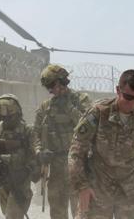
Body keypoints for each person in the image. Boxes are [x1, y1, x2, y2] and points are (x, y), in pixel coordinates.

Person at [69, 69, 134, 219]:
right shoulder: (98, 113)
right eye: (128, 97)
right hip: (99, 186)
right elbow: (77, 150)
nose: (132, 103)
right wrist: (82, 187)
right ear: (118, 90)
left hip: (132, 189)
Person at [32, 64, 91, 219]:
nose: (51, 91)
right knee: (57, 211)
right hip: (56, 167)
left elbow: (88, 126)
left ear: (62, 81)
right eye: (48, 88)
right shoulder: (46, 107)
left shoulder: (81, 100)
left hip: (78, 165)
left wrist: (68, 107)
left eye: (52, 86)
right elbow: (35, 133)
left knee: (81, 212)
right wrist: (39, 151)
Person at [0, 94, 40, 219]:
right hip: (1, 180)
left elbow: (37, 148)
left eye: (9, 117)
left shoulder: (27, 131)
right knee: (7, 212)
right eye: (2, 117)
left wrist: (30, 166)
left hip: (20, 180)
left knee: (13, 215)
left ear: (17, 114)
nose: (6, 121)